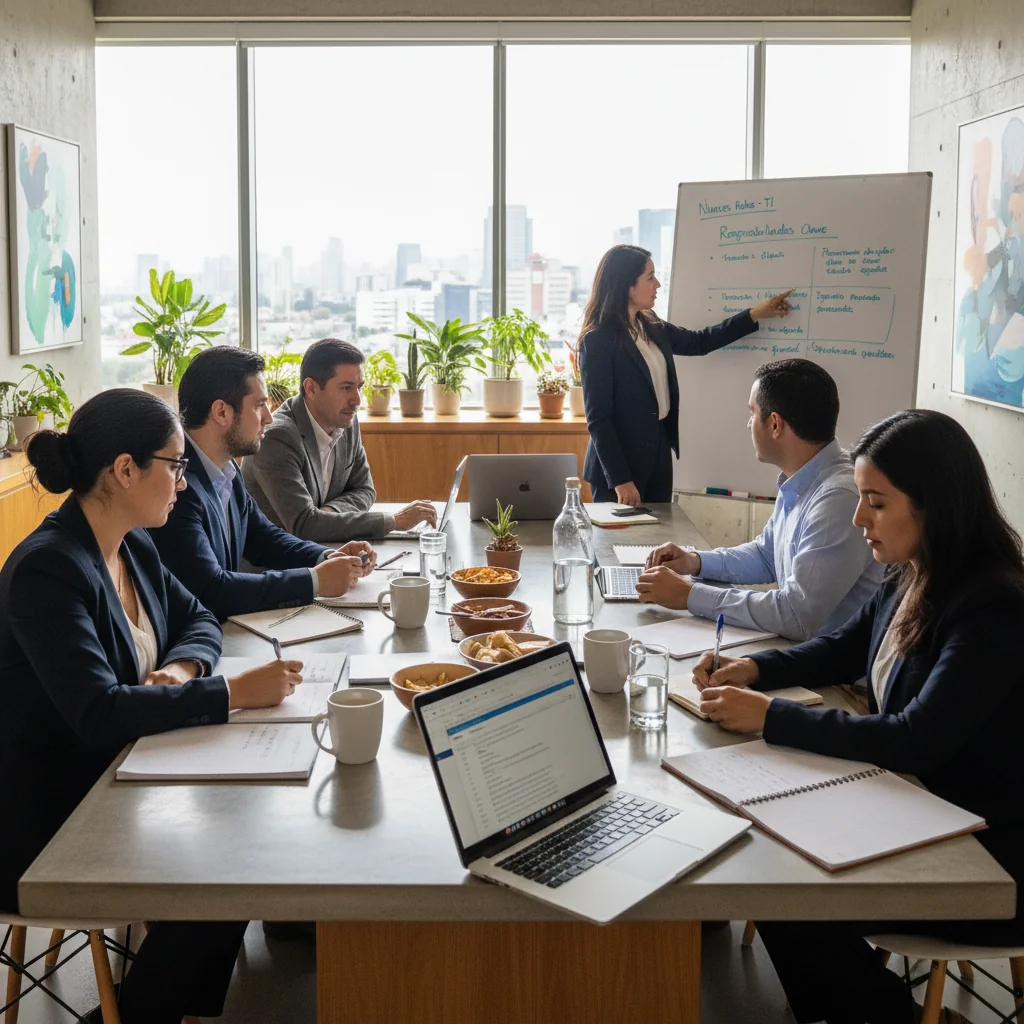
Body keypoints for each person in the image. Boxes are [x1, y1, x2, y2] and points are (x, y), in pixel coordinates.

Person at [691, 409, 1024, 1024]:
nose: (857, 518)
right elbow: (845, 644)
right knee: (768, 859)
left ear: (934, 506)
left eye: (875, 502)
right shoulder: (914, 571)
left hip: (982, 852)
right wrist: (759, 672)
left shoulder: (994, 606)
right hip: (911, 806)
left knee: (781, 888)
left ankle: (873, 1013)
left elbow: (915, 738)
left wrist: (769, 718)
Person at [0, 389, 301, 1024]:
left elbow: (199, 618)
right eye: (175, 465)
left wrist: (183, 666)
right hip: (51, 815)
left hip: (125, 775)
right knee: (234, 865)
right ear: (125, 470)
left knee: (252, 838)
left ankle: (169, 1004)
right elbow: (98, 715)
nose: (185, 482)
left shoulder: (132, 544)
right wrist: (227, 692)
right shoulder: (47, 570)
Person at [638, 359, 884, 641]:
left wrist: (689, 595)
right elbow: (767, 555)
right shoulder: (803, 476)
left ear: (775, 424)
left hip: (837, 681)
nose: (748, 423)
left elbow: (796, 615)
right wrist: (694, 562)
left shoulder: (837, 500)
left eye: (752, 413)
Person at [149, 346, 376, 622]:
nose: (269, 417)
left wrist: (326, 556)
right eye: (259, 405)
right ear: (221, 412)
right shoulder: (178, 486)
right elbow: (212, 589)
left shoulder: (226, 465)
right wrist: (314, 581)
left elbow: (263, 538)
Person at [577, 244, 793, 505]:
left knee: (655, 539)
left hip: (657, 452)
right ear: (627, 285)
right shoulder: (598, 341)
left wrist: (755, 314)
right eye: (650, 277)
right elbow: (599, 419)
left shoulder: (650, 324)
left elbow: (699, 342)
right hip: (619, 465)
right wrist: (621, 479)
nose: (657, 283)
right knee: (618, 542)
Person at [243, 337, 437, 542]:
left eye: (359, 387)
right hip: (278, 567)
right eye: (346, 388)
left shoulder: (346, 422)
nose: (357, 400)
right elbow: (304, 526)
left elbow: (365, 490)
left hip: (327, 551)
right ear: (311, 388)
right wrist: (394, 521)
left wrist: (328, 513)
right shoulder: (276, 438)